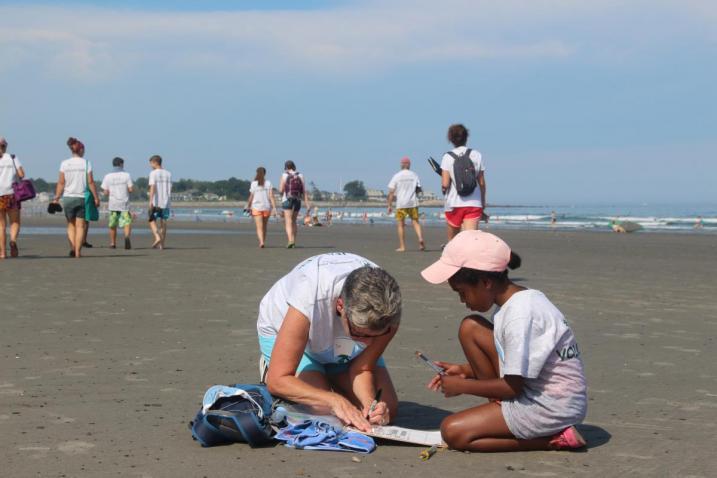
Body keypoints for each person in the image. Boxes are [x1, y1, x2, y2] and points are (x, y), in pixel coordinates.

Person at [420, 230, 587, 452]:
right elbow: (521, 363)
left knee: (453, 431)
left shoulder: (519, 314)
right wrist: (463, 370)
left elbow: (512, 386)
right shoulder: (518, 301)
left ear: (486, 281)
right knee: (471, 327)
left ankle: (554, 439)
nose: (462, 300)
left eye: (462, 292)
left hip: (550, 407)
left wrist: (462, 386)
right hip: (544, 393)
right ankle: (501, 411)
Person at [257, 252, 402, 432]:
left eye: (375, 335)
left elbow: (362, 368)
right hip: (287, 330)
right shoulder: (310, 294)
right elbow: (278, 380)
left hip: (338, 340)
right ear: (340, 306)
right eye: (359, 333)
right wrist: (333, 400)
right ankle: (277, 364)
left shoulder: (388, 312)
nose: (366, 342)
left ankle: (328, 373)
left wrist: (370, 405)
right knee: (324, 411)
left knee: (388, 410)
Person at [51, 137, 100, 258]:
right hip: (81, 198)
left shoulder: (64, 163)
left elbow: (61, 182)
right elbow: (91, 182)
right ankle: (78, 252)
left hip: (67, 198)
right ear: (81, 150)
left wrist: (56, 197)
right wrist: (96, 197)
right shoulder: (86, 163)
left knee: (70, 225)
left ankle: (73, 247)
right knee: (80, 226)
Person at [440, 124, 487, 241]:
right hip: (473, 203)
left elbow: (445, 184)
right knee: (470, 241)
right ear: (466, 137)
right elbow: (481, 182)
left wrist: (444, 189)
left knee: (453, 243)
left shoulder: (447, 157)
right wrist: (483, 201)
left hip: (454, 204)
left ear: (450, 139)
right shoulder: (477, 155)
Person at [386, 157, 425, 252]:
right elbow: (419, 189)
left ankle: (402, 246)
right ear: (409, 165)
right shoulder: (414, 175)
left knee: (400, 225)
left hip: (401, 203)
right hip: (413, 202)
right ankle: (420, 238)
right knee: (415, 222)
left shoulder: (397, 176)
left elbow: (391, 192)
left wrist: (389, 205)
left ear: (401, 165)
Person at [101, 157, 134, 249]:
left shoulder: (107, 176)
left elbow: (105, 192)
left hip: (113, 204)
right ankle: (127, 237)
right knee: (127, 222)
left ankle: (112, 243)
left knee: (113, 224)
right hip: (124, 203)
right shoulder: (127, 175)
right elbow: (131, 189)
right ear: (121, 164)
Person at [0, 137, 25, 258]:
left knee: (1, 226)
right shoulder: (12, 158)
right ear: (6, 146)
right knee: (14, 222)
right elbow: (21, 174)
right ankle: (13, 240)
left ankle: (3, 253)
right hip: (12, 194)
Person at [278, 160, 310, 248]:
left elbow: (280, 190)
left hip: (287, 200)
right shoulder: (300, 175)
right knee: (294, 221)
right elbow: (304, 191)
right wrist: (307, 204)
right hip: (297, 200)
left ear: (286, 167)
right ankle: (294, 241)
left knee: (288, 221)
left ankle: (290, 240)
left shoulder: (284, 175)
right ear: (294, 166)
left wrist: (282, 195)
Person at [246, 166, 277, 248]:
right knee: (264, 226)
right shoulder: (268, 183)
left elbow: (251, 196)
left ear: (257, 173)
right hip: (266, 207)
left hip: (256, 207)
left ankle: (261, 242)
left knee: (259, 226)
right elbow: (271, 196)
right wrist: (274, 208)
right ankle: (263, 240)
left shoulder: (253, 183)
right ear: (265, 174)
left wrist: (248, 206)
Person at [148, 155, 172, 249]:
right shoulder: (168, 173)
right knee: (163, 222)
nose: (150, 165)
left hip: (156, 201)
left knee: (151, 220)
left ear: (155, 162)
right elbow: (170, 187)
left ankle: (157, 237)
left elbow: (152, 187)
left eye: (151, 163)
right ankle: (162, 245)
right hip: (166, 201)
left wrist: (150, 201)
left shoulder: (153, 173)